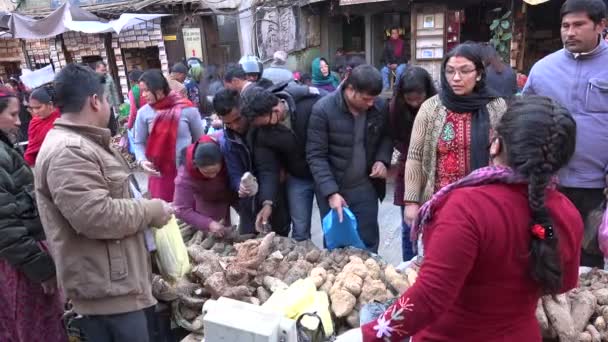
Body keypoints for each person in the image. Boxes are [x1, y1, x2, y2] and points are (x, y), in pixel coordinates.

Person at [354, 96, 583, 342]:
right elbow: (562, 283)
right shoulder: (564, 214)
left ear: (496, 143)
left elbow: (429, 298)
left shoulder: (466, 208)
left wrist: (365, 336)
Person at [34, 64, 173, 342]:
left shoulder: (87, 142)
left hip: (119, 284)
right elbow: (96, 216)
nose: (109, 105)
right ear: (95, 101)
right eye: (107, 98)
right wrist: (151, 210)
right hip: (106, 292)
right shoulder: (68, 151)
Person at [523, 0, 608, 267]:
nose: (570, 32)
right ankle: (543, 300)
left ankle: (584, 303)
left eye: (579, 25)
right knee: (545, 245)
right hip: (548, 185)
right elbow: (523, 119)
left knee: (588, 255)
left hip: (597, 190)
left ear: (601, 25)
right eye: (565, 25)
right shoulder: (543, 69)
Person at [403, 43, 507, 227]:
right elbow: (415, 156)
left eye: (465, 71)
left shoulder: (496, 106)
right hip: (441, 203)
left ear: (479, 74)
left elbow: (506, 155)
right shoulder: (431, 108)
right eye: (450, 71)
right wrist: (411, 202)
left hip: (486, 202)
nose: (456, 78)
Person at [0, 87, 66, 342]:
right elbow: (5, 225)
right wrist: (41, 268)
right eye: (13, 114)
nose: (19, 121)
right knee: (36, 329)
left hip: (20, 258)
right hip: (19, 264)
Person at [307, 65, 392, 252]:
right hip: (335, 189)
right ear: (350, 89)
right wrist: (331, 192)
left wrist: (382, 159)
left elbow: (386, 136)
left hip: (366, 187)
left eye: (374, 98)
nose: (371, 103)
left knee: (368, 243)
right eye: (366, 99)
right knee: (336, 246)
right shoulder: (323, 110)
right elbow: (316, 156)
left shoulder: (379, 107)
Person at [242, 83, 323, 240]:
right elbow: (267, 169)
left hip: (325, 174)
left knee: (331, 225)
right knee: (300, 229)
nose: (263, 128)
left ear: (276, 110)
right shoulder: (263, 131)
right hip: (298, 176)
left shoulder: (310, 106)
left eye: (264, 123)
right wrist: (267, 203)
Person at [133, 69, 204, 202]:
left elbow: (201, 141)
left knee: (189, 215)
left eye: (147, 90)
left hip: (186, 172)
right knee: (166, 218)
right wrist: (142, 160)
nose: (143, 95)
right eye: (142, 91)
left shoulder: (187, 109)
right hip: (159, 174)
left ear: (159, 90)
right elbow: (139, 143)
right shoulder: (143, 113)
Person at [389, 67, 437, 262]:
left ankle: (432, 263)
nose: (416, 104)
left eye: (420, 98)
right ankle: (410, 264)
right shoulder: (395, 109)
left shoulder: (438, 106)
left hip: (434, 169)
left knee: (434, 224)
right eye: (411, 100)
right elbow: (394, 138)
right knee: (409, 224)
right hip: (407, 168)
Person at [212, 88, 257, 234]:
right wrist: (240, 186)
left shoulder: (260, 127)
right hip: (248, 200)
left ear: (243, 108)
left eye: (237, 119)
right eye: (229, 124)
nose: (235, 126)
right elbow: (234, 174)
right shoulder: (228, 141)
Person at [173, 133, 235, 235]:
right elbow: (181, 208)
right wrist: (208, 223)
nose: (212, 176)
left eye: (216, 171)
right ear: (195, 165)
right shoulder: (185, 175)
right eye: (206, 173)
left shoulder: (228, 153)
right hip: (208, 199)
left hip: (233, 190)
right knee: (218, 232)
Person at [24, 85, 61, 167]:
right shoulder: (34, 122)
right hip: (37, 165)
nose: (35, 112)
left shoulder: (62, 118)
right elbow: (32, 147)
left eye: (38, 107)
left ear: (50, 104)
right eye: (32, 108)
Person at [95, 61, 120, 136]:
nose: (105, 72)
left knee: (113, 127)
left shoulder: (109, 77)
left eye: (105, 70)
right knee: (103, 129)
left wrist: (117, 105)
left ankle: (114, 142)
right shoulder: (92, 79)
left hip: (109, 106)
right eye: (102, 70)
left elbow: (114, 92)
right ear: (96, 69)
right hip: (98, 109)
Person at [381, 27, 408, 91]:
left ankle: (397, 87)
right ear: (391, 34)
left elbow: (405, 56)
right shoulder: (388, 43)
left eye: (396, 33)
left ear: (398, 34)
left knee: (399, 70)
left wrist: (397, 64)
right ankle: (386, 86)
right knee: (383, 70)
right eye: (393, 33)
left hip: (401, 63)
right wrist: (388, 64)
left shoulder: (403, 43)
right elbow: (385, 55)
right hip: (390, 64)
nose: (394, 35)